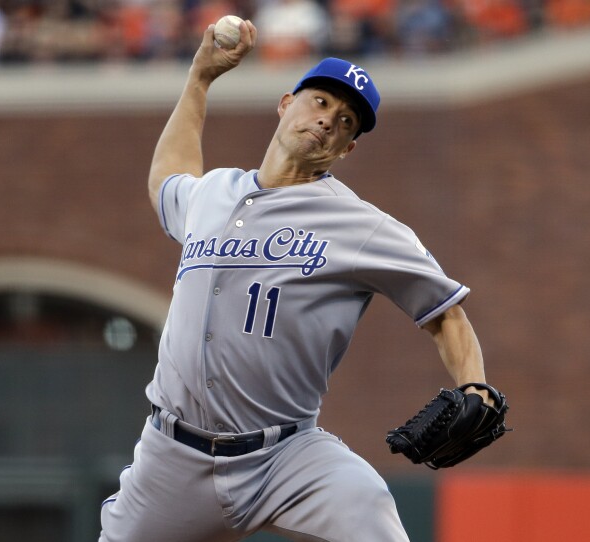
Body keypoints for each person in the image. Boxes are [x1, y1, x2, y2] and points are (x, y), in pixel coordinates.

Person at [99, 18, 492, 542]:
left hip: (287, 458)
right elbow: (166, 180)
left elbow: (446, 313)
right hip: (171, 457)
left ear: (347, 149)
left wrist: (476, 388)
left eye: (348, 120)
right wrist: (199, 79)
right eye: (322, 102)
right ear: (286, 103)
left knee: (372, 510)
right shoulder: (213, 193)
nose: (330, 119)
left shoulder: (361, 225)